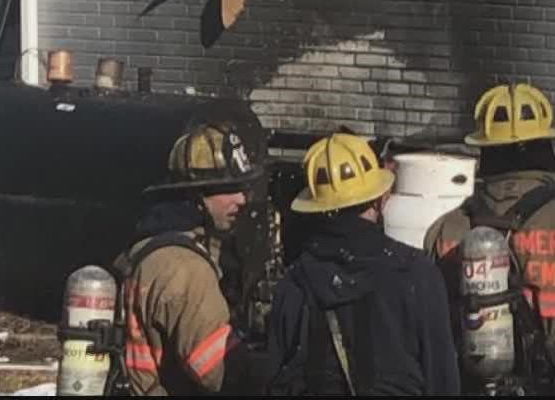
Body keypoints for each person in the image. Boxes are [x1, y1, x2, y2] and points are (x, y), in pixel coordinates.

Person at [423, 82, 555, 394]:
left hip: (473, 384)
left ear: (485, 151)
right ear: (544, 148)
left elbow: (429, 326)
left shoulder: (446, 228)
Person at [266, 131, 460, 395]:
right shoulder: (418, 274)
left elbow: (275, 380)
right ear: (381, 199)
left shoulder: (295, 284)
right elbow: (443, 381)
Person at [117, 119, 264, 396]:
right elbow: (217, 372)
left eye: (243, 188)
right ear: (198, 195)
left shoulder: (148, 246)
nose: (242, 199)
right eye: (230, 188)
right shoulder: (185, 268)